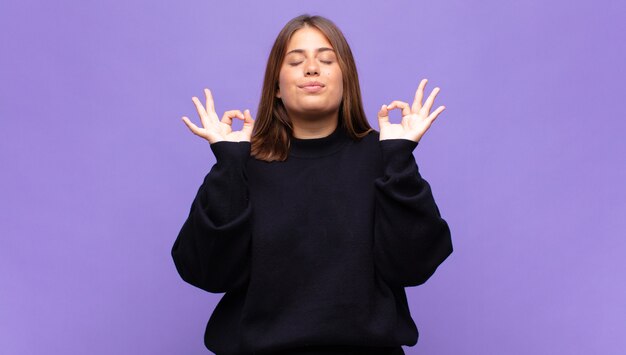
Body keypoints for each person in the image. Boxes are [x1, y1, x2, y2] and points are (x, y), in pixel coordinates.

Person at [171, 14, 452, 355]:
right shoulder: (245, 165)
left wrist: (398, 157)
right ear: (276, 86)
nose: (312, 69)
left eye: (326, 59)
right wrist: (229, 164)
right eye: (295, 61)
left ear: (346, 78)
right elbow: (206, 272)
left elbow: (414, 265)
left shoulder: (383, 159)